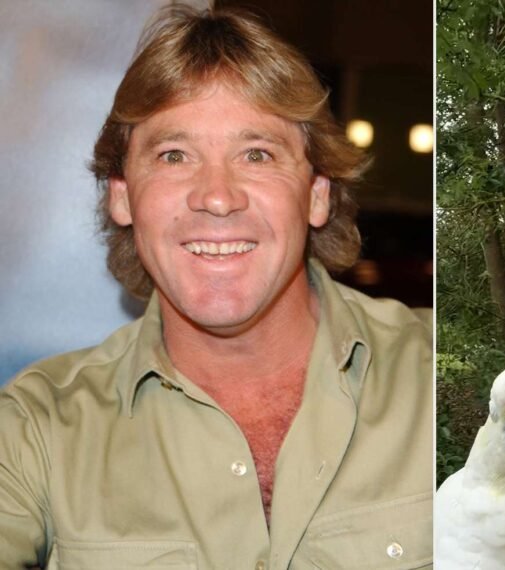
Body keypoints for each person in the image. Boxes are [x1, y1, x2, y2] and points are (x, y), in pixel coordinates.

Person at [0, 6, 433, 569]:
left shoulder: (443, 371)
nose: (218, 197)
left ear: (317, 194)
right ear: (123, 197)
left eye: (257, 154)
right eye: (174, 155)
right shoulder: (36, 426)